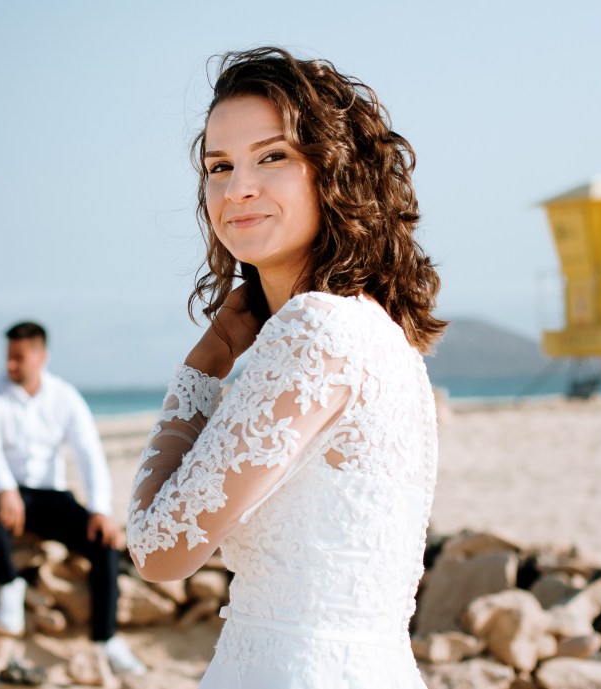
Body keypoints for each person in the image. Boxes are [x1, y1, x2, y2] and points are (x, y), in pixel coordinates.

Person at [127, 47, 447, 688]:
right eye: (219, 166)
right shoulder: (384, 339)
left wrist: (203, 366)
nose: (237, 187)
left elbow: (159, 549)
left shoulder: (316, 330)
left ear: (333, 173)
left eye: (272, 156)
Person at [0, 321, 145, 677]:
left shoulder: (64, 397)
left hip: (52, 497)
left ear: (41, 356)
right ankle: (9, 586)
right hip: (6, 493)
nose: (11, 365)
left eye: (19, 357)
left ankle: (105, 639)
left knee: (103, 544)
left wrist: (99, 509)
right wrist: (5, 489)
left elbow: (89, 454)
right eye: (9, 357)